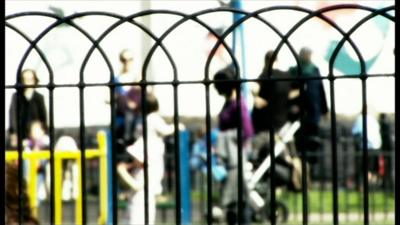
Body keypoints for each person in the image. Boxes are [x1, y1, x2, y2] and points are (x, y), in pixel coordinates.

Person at [118, 92, 184, 225]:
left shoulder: (141, 120)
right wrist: (177, 126)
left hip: (145, 153)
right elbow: (164, 130)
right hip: (152, 153)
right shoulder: (153, 118)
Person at [251, 50, 303, 191]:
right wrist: (287, 97)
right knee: (290, 154)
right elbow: (300, 89)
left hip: (266, 125)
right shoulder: (286, 76)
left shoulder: (264, 76)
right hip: (283, 123)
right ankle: (298, 179)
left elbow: (254, 90)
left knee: (263, 158)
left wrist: (257, 98)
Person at [213, 65, 254, 225]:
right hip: (228, 159)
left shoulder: (238, 105)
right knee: (233, 203)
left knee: (238, 200)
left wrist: (223, 138)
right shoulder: (229, 103)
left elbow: (247, 131)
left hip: (236, 158)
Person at [289, 47, 328, 165]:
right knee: (302, 142)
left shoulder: (313, 70)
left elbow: (321, 91)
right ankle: (303, 166)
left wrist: (324, 109)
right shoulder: (294, 71)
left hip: (310, 112)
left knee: (310, 142)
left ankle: (309, 166)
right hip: (301, 113)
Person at [9, 69, 47, 148]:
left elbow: (43, 118)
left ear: (35, 80)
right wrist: (14, 134)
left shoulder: (39, 97)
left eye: (30, 79)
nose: (28, 82)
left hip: (36, 137)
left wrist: (41, 133)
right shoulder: (16, 97)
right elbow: (12, 116)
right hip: (19, 136)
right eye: (25, 79)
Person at [352, 110, 382, 188]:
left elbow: (355, 132)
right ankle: (370, 185)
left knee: (364, 168)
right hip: (376, 146)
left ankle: (364, 185)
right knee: (372, 168)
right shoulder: (373, 119)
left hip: (365, 146)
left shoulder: (359, 119)